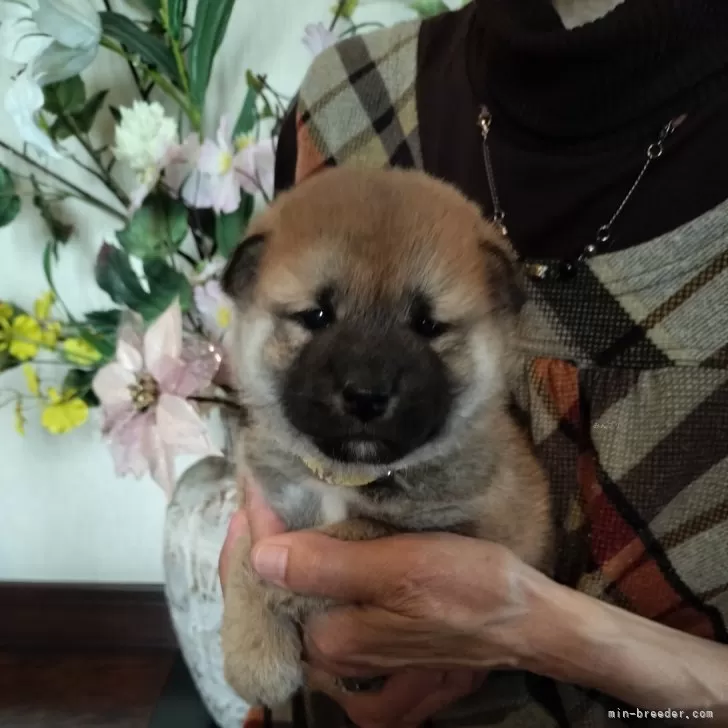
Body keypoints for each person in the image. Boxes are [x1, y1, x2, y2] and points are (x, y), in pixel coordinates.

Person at [219, 1, 728, 726]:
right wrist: (256, 565)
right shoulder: (343, 100)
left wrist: (561, 640)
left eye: (430, 326)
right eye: (319, 318)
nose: (364, 380)